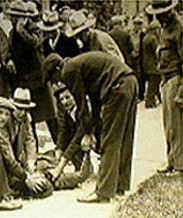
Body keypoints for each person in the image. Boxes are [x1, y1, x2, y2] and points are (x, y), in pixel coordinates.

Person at [43, 51, 138, 203]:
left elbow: (82, 106)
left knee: (110, 140)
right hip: (129, 81)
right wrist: (91, 128)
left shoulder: (69, 70)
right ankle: (120, 186)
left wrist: (88, 134)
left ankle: (103, 193)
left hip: (116, 87)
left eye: (53, 79)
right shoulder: (78, 64)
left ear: (56, 70)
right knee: (124, 136)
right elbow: (94, 101)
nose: (56, 84)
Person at [6, 0, 58, 144]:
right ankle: (32, 150)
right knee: (28, 118)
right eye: (11, 17)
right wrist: (9, 59)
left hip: (38, 79)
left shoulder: (35, 29)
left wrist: (21, 31)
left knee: (50, 116)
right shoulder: (12, 33)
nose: (11, 20)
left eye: (14, 17)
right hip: (22, 80)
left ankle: (61, 146)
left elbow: (35, 43)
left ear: (22, 17)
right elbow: (9, 50)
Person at [146, 0, 183, 173]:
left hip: (175, 79)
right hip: (165, 78)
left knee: (176, 125)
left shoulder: (179, 28)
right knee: (168, 125)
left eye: (161, 13)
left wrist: (181, 91)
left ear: (169, 11)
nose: (158, 16)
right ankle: (171, 160)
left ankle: (179, 164)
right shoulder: (164, 27)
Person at [6, 88, 53, 198]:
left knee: (43, 173)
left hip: (17, 160)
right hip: (5, 160)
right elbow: (6, 152)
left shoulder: (25, 119)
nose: (22, 112)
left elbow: (30, 140)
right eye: (19, 109)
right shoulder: (5, 119)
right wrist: (25, 176)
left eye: (25, 109)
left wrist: (31, 163)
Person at [47, 83, 94, 190]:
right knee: (68, 141)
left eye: (67, 97)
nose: (65, 102)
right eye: (62, 99)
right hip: (82, 137)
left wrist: (60, 166)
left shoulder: (84, 109)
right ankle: (81, 166)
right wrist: (59, 149)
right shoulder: (66, 111)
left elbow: (78, 138)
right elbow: (63, 131)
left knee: (79, 142)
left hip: (98, 136)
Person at [142, 19, 161, 108]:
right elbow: (157, 51)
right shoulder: (153, 38)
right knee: (153, 84)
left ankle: (156, 99)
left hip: (146, 64)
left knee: (152, 83)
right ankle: (150, 101)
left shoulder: (145, 37)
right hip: (153, 65)